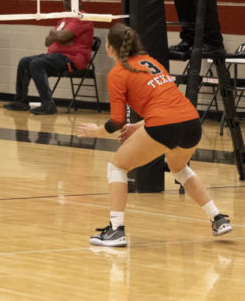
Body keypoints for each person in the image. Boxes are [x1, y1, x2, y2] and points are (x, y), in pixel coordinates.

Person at [77, 23, 232, 247]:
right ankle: (218, 218)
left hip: (164, 125)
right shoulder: (152, 62)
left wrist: (96, 131)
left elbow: (117, 121)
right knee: (180, 169)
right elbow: (166, 102)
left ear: (110, 47)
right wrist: (141, 125)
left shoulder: (118, 73)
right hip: (191, 122)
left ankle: (116, 230)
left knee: (117, 167)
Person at [2, 0, 95, 115]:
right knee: (24, 61)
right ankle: (21, 101)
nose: (66, 2)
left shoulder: (82, 17)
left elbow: (62, 36)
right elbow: (47, 41)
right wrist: (58, 36)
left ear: (78, 2)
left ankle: (48, 104)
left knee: (37, 63)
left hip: (72, 59)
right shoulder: (64, 19)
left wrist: (56, 35)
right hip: (56, 57)